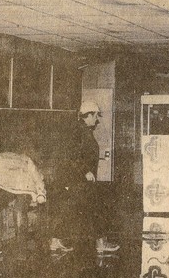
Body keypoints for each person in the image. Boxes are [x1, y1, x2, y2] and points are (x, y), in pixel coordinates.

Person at [49, 101, 119, 254]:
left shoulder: (83, 130)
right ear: (89, 115)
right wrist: (85, 171)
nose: (97, 119)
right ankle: (100, 242)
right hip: (78, 179)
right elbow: (71, 155)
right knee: (89, 208)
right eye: (96, 116)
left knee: (81, 209)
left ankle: (57, 240)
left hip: (81, 180)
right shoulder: (78, 130)